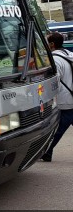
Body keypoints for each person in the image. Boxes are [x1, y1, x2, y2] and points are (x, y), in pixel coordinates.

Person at [42, 32, 73, 161]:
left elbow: (54, 82)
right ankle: (47, 153)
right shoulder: (69, 54)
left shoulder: (54, 59)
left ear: (52, 44)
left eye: (46, 42)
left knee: (58, 129)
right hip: (71, 98)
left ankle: (47, 152)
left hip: (65, 100)